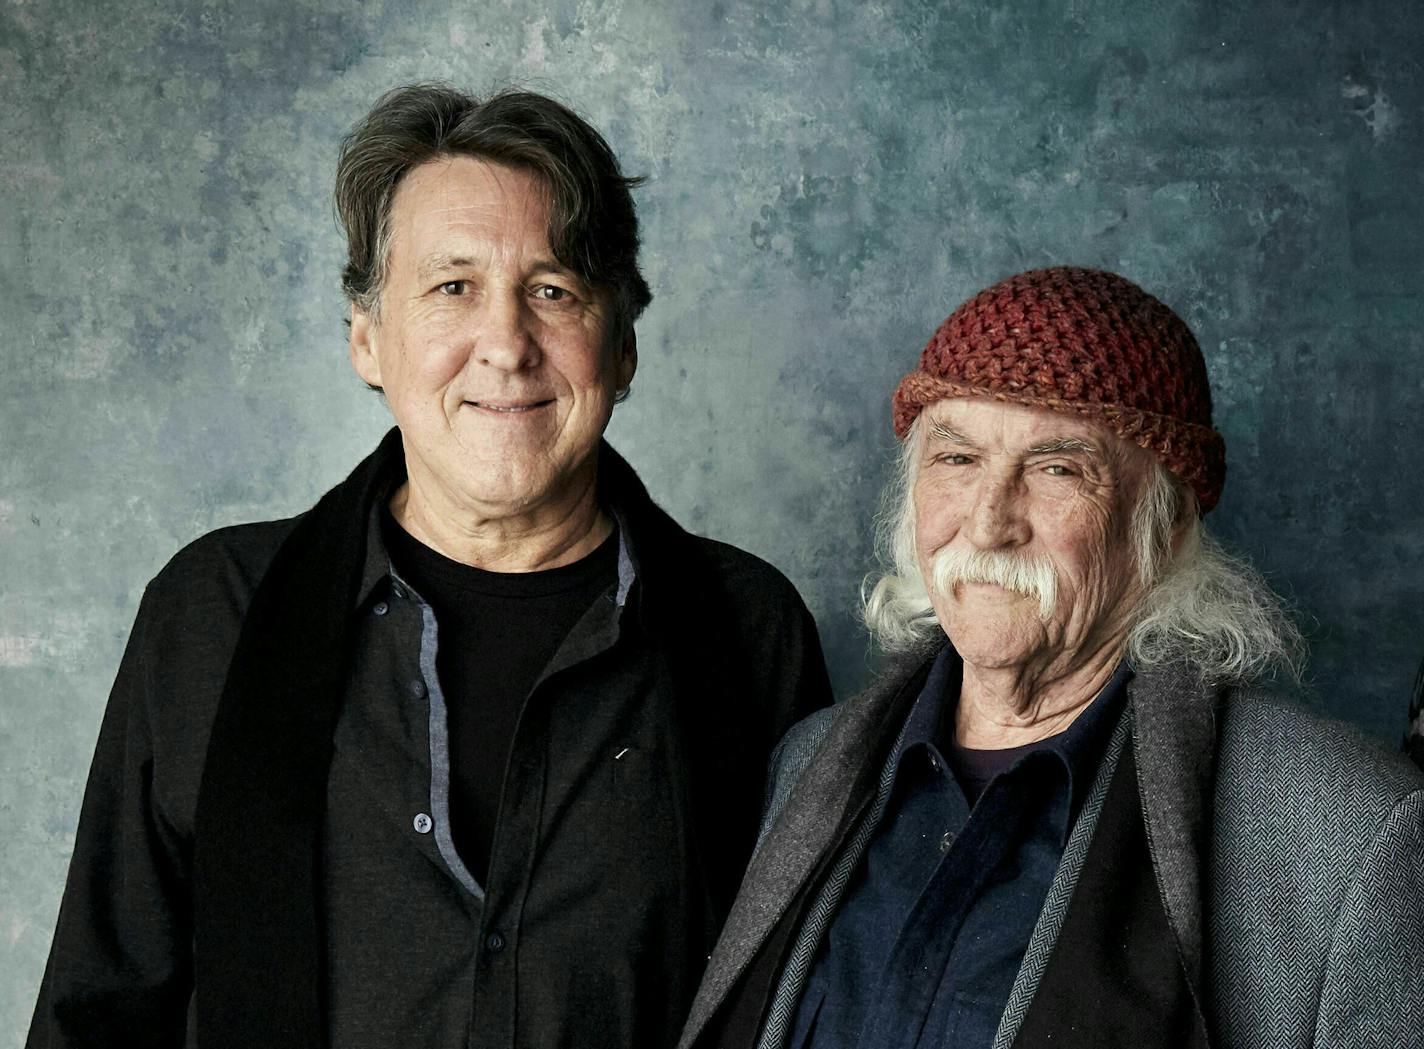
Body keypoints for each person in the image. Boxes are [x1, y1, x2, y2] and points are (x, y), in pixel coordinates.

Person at [28, 83, 831, 1049]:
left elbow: (799, 1008)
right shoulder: (214, 613)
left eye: (553, 290)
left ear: (621, 344)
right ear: (368, 338)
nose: (506, 344)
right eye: (453, 286)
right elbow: (96, 1013)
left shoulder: (748, 632)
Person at [678, 267, 1424, 1049]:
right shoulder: (811, 763)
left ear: (1163, 526)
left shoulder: (1349, 834)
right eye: (957, 459)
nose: (990, 521)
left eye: (1057, 468)